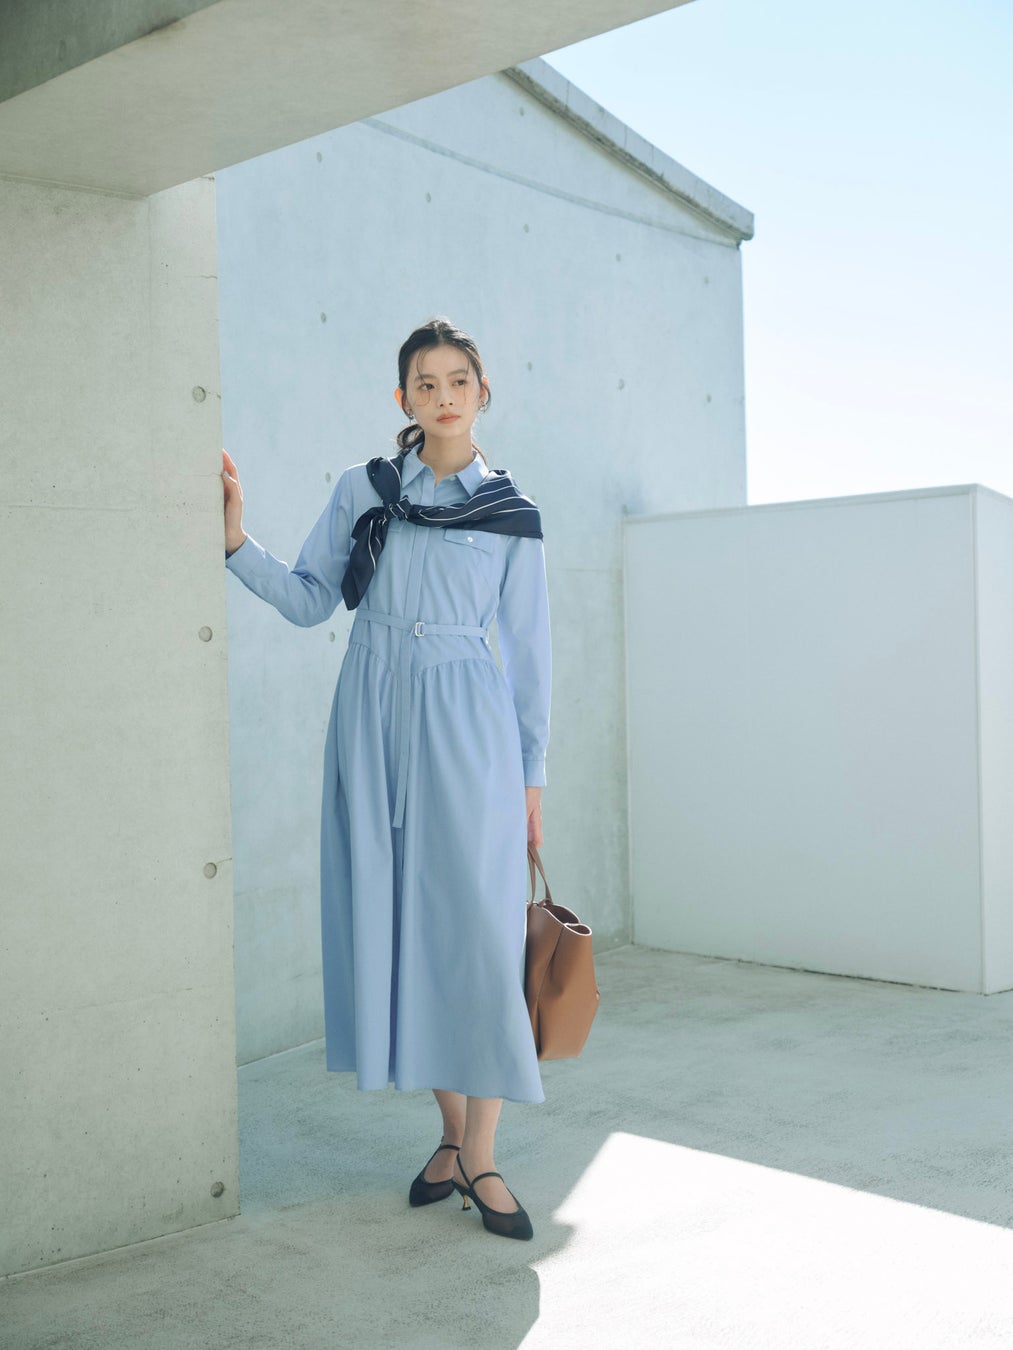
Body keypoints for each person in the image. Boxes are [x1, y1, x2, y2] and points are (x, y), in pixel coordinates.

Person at [221, 317, 551, 1241]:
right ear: (402, 397)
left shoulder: (511, 514)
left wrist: (531, 780)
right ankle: (448, 1136)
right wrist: (237, 542)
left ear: (482, 392)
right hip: (370, 717)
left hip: (468, 728)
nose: (443, 397)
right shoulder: (363, 491)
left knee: (476, 940)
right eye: (425, 383)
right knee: (401, 929)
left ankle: (480, 1152)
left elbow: (530, 657)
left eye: (458, 381)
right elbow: (309, 601)